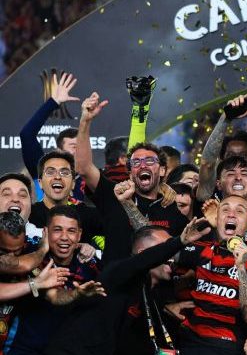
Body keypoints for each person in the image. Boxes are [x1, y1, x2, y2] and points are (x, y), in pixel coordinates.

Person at [38, 221, 207, 355]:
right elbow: (142, 261)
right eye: (165, 247)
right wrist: (179, 242)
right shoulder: (116, 272)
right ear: (143, 254)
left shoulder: (149, 293)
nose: (172, 256)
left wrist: (167, 311)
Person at [0, 205, 105, 355]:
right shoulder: (29, 252)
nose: (64, 237)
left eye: (71, 231)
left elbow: (56, 296)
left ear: (79, 235)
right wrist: (40, 256)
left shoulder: (91, 267)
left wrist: (76, 294)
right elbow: (51, 294)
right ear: (45, 232)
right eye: (57, 230)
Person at [174, 194, 247, 355]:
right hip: (187, 343)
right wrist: (165, 305)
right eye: (225, 209)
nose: (231, 214)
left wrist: (240, 268)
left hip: (225, 349)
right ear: (217, 219)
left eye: (239, 211)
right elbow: (153, 254)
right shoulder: (200, 249)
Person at [75, 92, 187, 238]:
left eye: (149, 161)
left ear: (162, 170)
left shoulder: (171, 205)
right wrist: (85, 121)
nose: (143, 166)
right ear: (130, 173)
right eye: (136, 162)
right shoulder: (114, 195)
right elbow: (83, 168)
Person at [19, 71, 83, 201]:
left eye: (82, 146)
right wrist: (53, 102)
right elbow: (27, 135)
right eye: (73, 146)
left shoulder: (91, 180)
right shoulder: (44, 172)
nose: (79, 150)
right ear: (60, 151)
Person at [28, 151, 105, 249]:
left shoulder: (88, 215)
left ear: (73, 184)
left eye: (64, 173)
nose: (57, 177)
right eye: (50, 172)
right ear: (40, 183)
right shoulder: (28, 215)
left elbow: (119, 226)